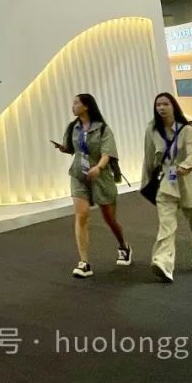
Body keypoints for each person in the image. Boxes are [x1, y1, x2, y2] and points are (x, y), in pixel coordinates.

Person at [53, 93, 132, 278]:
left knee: (110, 219)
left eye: (76, 103)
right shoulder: (73, 127)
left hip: (100, 177)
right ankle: (84, 263)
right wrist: (64, 148)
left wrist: (99, 167)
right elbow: (72, 148)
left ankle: (123, 246)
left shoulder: (103, 129)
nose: (73, 106)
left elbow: (107, 153)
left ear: (86, 106)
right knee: (81, 215)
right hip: (78, 175)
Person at [143, 92, 192, 282]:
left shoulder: (186, 130)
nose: (161, 108)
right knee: (166, 225)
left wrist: (186, 165)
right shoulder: (152, 129)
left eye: (165, 104)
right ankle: (163, 261)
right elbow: (149, 156)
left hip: (189, 181)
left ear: (173, 106)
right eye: (158, 104)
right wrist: (148, 182)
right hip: (166, 182)